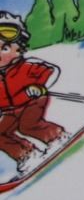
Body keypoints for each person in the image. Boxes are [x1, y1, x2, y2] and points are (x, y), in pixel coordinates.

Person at [0, 13, 67, 181]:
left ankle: (57, 137)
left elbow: (52, 71)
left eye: (5, 48)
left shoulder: (26, 66)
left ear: (19, 49)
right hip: (10, 111)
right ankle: (26, 154)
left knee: (29, 125)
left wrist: (40, 88)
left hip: (32, 102)